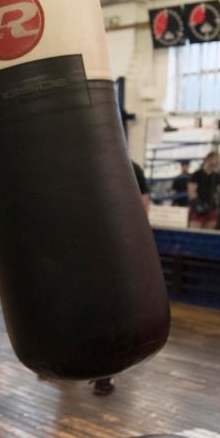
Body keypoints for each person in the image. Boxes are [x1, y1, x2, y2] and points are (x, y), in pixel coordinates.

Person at [91, 158, 150, 397]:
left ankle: (104, 374)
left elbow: (143, 202)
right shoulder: (80, 161)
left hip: (114, 246)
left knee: (109, 310)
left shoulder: (130, 167)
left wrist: (135, 236)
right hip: (88, 246)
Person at [188, 152, 220, 229]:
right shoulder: (197, 174)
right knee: (195, 233)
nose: (217, 161)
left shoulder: (217, 176)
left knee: (209, 234)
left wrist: (217, 205)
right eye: (216, 159)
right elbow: (191, 192)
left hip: (211, 208)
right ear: (208, 159)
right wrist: (199, 204)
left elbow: (218, 192)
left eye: (218, 159)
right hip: (198, 208)